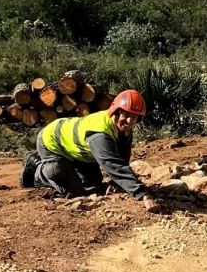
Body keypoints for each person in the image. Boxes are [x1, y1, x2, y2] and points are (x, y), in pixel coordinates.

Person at [21, 89, 160, 213]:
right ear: (116, 112)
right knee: (75, 192)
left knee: (93, 184)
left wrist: (115, 183)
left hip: (78, 151)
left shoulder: (124, 130)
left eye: (135, 117)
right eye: (126, 115)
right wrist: (143, 194)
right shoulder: (100, 133)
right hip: (51, 142)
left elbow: (122, 159)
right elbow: (112, 164)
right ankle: (37, 169)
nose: (130, 121)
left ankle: (65, 169)